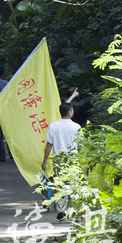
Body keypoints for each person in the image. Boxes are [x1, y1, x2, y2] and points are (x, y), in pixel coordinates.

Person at [41, 90, 81, 221]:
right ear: (70, 112)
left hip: (59, 158)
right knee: (73, 184)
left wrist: (45, 161)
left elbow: (49, 145)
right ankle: (73, 209)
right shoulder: (76, 127)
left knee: (60, 184)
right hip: (73, 158)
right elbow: (80, 145)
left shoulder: (53, 126)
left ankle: (61, 209)